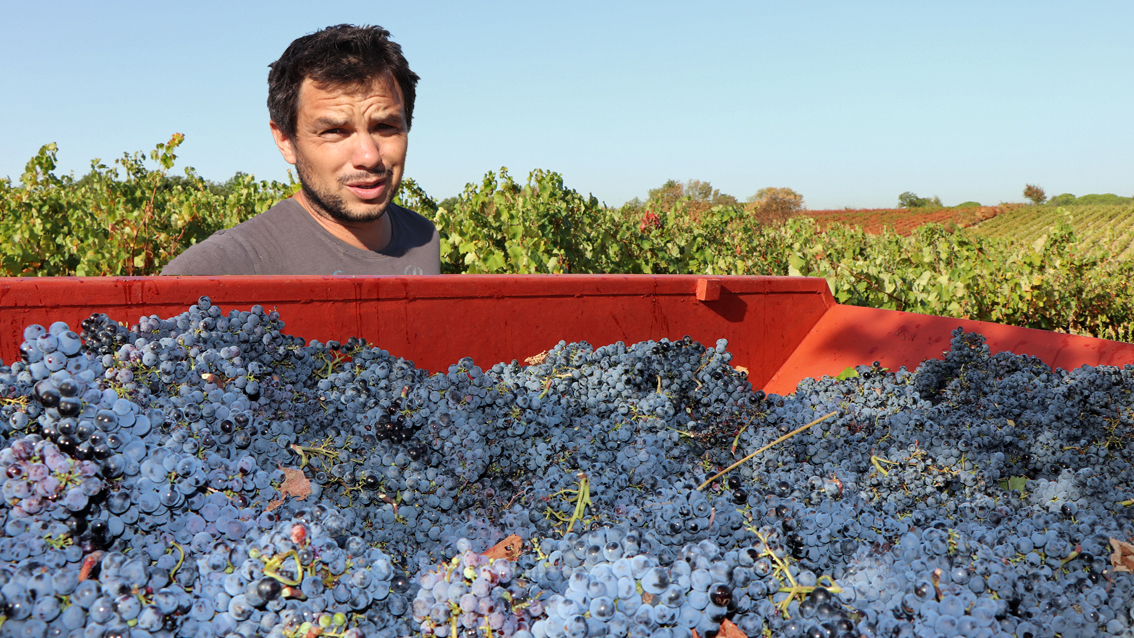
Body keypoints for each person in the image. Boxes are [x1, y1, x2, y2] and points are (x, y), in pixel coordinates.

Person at [162, 25, 440, 276]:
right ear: (285, 141)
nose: (369, 157)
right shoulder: (227, 264)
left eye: (385, 126)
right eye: (334, 131)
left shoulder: (424, 238)